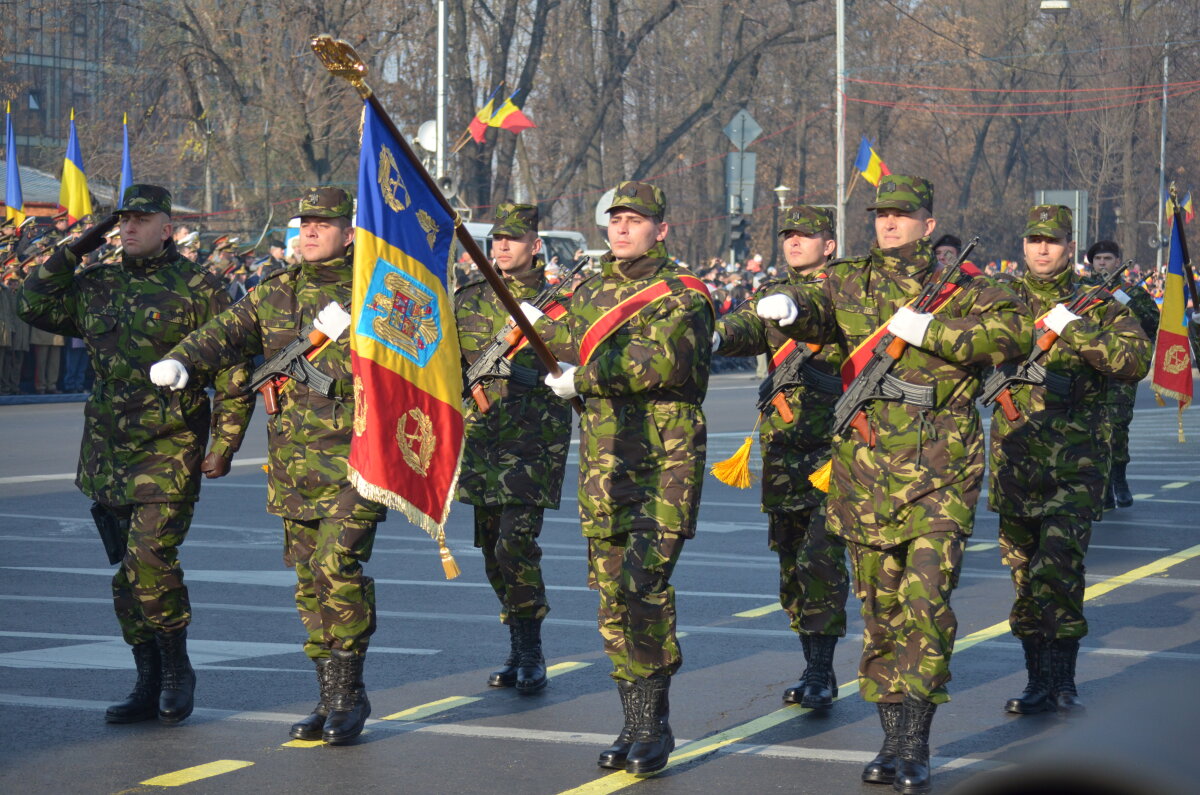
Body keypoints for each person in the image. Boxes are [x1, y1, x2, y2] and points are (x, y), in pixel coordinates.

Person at [755, 175, 1030, 794]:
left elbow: (1014, 336)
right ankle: (889, 734)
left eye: (903, 216)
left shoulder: (969, 286)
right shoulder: (849, 277)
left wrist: (929, 331)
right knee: (880, 614)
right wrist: (792, 311)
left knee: (925, 607)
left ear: (928, 225)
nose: (889, 224)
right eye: (881, 214)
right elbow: (819, 313)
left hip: (941, 472)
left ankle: (914, 742)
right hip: (865, 474)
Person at [153, 187, 385, 745]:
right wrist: (183, 359)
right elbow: (224, 333)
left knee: (337, 568)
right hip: (293, 464)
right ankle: (328, 694)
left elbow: (415, 370)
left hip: (358, 460)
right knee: (308, 581)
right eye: (303, 223)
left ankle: (349, 694)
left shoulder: (376, 293)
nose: (309, 232)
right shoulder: (275, 291)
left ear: (348, 233)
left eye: (322, 224)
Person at [18, 184, 254, 725]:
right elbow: (29, 302)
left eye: (141, 220)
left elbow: (234, 373)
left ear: (167, 228)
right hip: (106, 452)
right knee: (127, 576)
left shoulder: (201, 288)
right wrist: (76, 247)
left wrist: (225, 443)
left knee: (150, 561)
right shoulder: (96, 282)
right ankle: (147, 676)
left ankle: (176, 668)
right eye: (122, 219)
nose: (128, 228)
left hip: (170, 449)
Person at [535, 181, 714, 775]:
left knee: (644, 587)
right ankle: (634, 721)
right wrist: (530, 330)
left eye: (634, 220)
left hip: (664, 463)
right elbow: (552, 340)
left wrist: (580, 379)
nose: (621, 228)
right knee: (612, 597)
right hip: (604, 463)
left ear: (660, 229)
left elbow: (660, 361)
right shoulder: (588, 287)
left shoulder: (683, 293)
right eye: (615, 218)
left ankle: (655, 725)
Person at [989, 209, 1151, 717]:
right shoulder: (999, 298)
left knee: (1060, 570)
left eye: (1052, 241)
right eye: (1033, 239)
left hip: (1072, 464)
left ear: (1068, 245)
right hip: (1014, 459)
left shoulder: (1097, 303)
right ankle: (1036, 678)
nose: (1041, 250)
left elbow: (1134, 362)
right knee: (1022, 573)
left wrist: (1075, 330)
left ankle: (1063, 679)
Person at [712, 205, 849, 708]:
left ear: (828, 244)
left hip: (832, 448)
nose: (794, 241)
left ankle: (821, 670)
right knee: (791, 560)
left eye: (805, 235)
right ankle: (808, 654)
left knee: (821, 559)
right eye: (788, 234)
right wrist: (717, 335)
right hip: (783, 448)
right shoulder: (772, 294)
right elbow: (747, 325)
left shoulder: (849, 291)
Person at [454, 202, 573, 693]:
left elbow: (574, 356)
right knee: (490, 551)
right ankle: (516, 640)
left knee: (514, 544)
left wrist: (537, 338)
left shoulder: (559, 300)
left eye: (514, 239)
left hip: (534, 440)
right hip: (483, 439)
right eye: (497, 240)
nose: (502, 247)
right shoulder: (468, 299)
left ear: (535, 246)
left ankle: (530, 649)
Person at [1084, 241, 1158, 509]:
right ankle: (1100, 487)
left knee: (1117, 427)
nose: (1102, 263)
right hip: (1089, 370)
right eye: (1098, 259)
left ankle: (1119, 478)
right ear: (1091, 263)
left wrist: (1123, 301)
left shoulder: (1132, 293)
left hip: (1121, 370)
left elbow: (1152, 324)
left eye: (1108, 258)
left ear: (1118, 261)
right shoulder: (1081, 292)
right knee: (1090, 429)